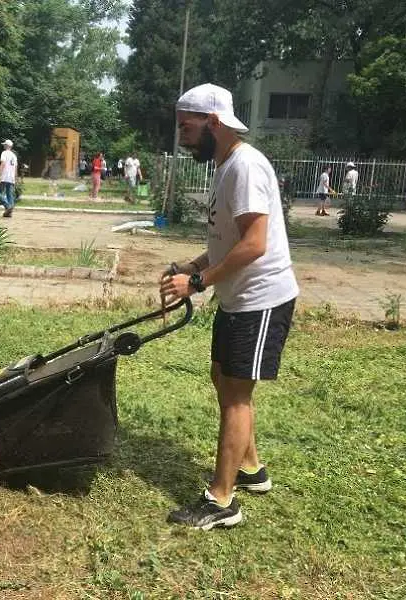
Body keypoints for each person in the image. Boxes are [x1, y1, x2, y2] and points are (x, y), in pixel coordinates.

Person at [160, 83, 299, 530]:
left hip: (261, 298)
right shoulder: (224, 166)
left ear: (213, 122)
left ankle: (222, 501)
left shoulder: (245, 167)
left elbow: (255, 245)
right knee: (222, 377)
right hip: (237, 296)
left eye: (187, 126)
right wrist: (191, 265)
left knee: (237, 397)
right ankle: (251, 469)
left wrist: (198, 281)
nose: (181, 134)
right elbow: (226, 243)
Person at [0, 139, 18, 217]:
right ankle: (9, 211)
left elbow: (3, 163)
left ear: (7, 145)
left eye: (4, 144)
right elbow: (16, 167)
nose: (3, 146)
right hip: (11, 177)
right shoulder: (14, 155)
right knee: (10, 194)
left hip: (4, 176)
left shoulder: (4, 153)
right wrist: (15, 178)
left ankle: (7, 206)